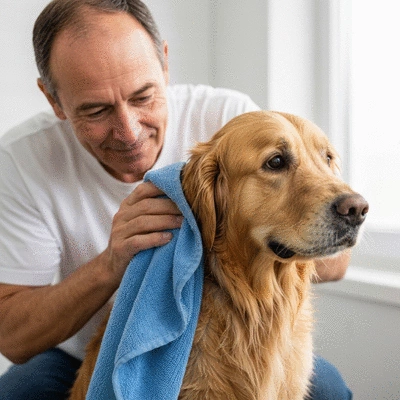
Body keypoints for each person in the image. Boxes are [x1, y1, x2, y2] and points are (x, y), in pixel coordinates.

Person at [0, 0, 352, 399]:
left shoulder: (230, 121)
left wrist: (226, 245)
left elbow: (335, 258)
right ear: (53, 100)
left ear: (164, 64)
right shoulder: (21, 161)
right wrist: (111, 265)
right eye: (96, 110)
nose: (129, 131)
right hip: (75, 347)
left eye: (143, 96)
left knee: (328, 390)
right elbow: (13, 336)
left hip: (230, 331)